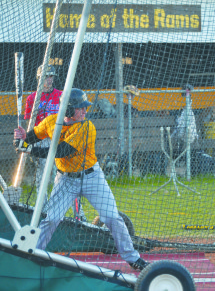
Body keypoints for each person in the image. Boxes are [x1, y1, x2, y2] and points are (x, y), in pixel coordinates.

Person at [14, 88, 149, 271]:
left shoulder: (87, 127)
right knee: (51, 219)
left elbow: (62, 151)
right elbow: (33, 136)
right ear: (68, 110)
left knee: (111, 217)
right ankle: (35, 254)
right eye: (80, 108)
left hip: (92, 177)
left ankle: (133, 258)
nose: (84, 111)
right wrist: (22, 140)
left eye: (85, 107)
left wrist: (28, 149)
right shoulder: (51, 122)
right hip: (65, 181)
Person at [24, 64, 62, 204]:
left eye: (51, 76)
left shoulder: (60, 95)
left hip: (58, 138)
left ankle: (78, 212)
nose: (49, 79)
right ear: (39, 78)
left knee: (65, 175)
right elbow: (30, 124)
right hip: (41, 139)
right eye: (45, 77)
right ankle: (43, 206)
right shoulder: (32, 98)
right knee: (42, 175)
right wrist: (30, 142)